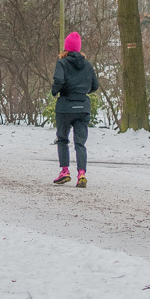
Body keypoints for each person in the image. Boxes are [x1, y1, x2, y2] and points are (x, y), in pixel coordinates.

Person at [51, 32, 99, 188]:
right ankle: (82, 174)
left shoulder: (62, 63)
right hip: (83, 107)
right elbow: (95, 85)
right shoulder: (88, 65)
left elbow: (58, 80)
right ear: (79, 48)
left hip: (65, 106)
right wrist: (82, 93)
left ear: (66, 48)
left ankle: (65, 171)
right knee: (80, 143)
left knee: (62, 139)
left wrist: (55, 91)